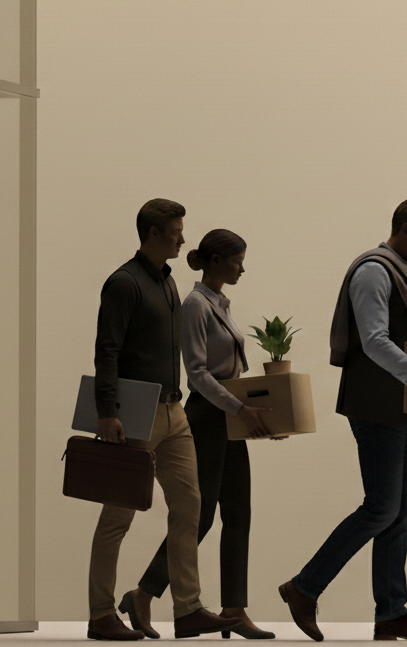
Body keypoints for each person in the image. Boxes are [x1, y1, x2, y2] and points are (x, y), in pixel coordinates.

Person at [279, 198, 407, 642]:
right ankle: (303, 588)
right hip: (376, 404)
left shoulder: (397, 269)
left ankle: (391, 613)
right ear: (404, 228)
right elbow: (375, 341)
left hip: (398, 405)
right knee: (382, 507)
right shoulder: (374, 271)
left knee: (401, 512)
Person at [86, 199, 241, 641]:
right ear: (155, 233)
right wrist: (106, 411)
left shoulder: (169, 282)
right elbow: (107, 350)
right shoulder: (124, 283)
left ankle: (187, 609)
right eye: (176, 231)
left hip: (174, 412)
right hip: (134, 413)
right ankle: (100, 614)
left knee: (190, 507)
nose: (183, 238)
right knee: (117, 517)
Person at [120, 229, 279, 640]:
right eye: (237, 260)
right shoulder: (195, 305)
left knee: (238, 513)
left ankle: (234, 608)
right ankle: (144, 592)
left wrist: (254, 413)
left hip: (230, 415)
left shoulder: (218, 304)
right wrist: (240, 408)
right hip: (208, 417)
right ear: (214, 261)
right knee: (201, 514)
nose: (242, 267)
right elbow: (197, 373)